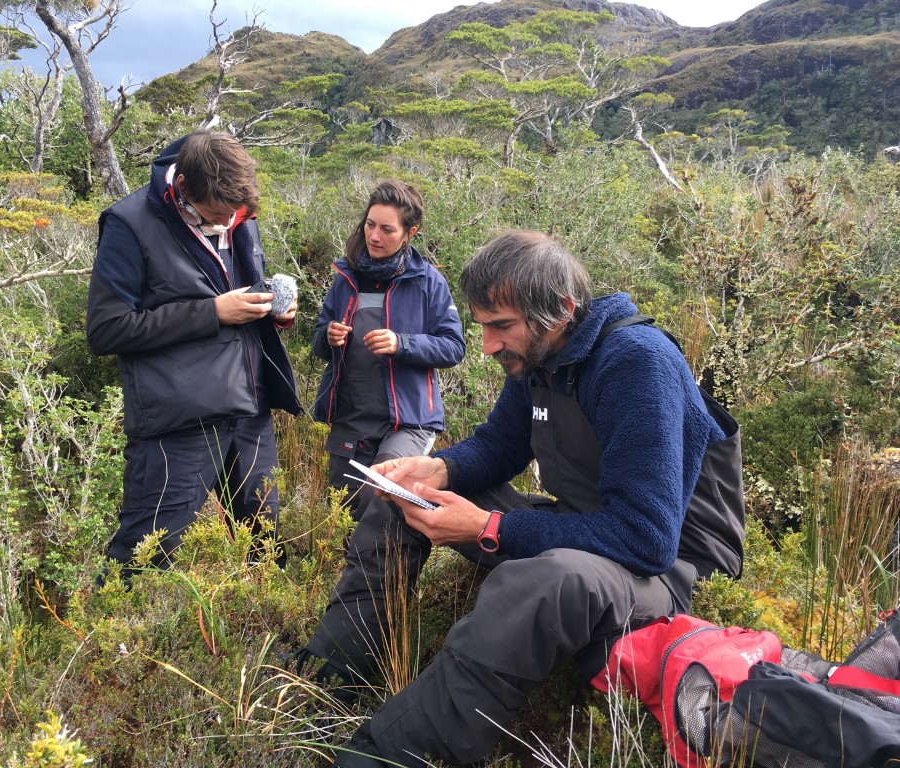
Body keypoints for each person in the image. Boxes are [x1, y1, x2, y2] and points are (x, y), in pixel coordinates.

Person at [300, 230, 746, 767]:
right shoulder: (538, 357)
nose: (487, 345)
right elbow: (502, 444)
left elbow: (646, 539)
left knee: (539, 581)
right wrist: (439, 467)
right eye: (483, 325)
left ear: (559, 309)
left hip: (665, 568)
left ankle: (389, 756)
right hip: (587, 531)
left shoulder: (636, 363)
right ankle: (328, 675)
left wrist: (489, 528)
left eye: (501, 326)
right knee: (409, 497)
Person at [86, 129, 301, 574]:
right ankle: (116, 642)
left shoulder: (237, 211)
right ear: (182, 186)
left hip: (250, 410)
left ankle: (266, 636)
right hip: (178, 423)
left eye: (235, 215)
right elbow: (106, 331)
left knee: (264, 545)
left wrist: (271, 312)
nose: (226, 224)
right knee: (147, 556)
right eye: (216, 215)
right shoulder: (129, 224)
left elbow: (233, 288)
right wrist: (213, 312)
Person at [311, 181, 465, 518]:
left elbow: (454, 347)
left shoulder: (427, 281)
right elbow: (318, 343)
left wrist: (402, 343)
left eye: (386, 229)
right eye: (369, 224)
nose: (374, 236)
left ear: (410, 232)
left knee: (381, 498)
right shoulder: (345, 276)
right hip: (350, 419)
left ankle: (392, 569)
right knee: (346, 514)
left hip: (407, 421)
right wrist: (328, 336)